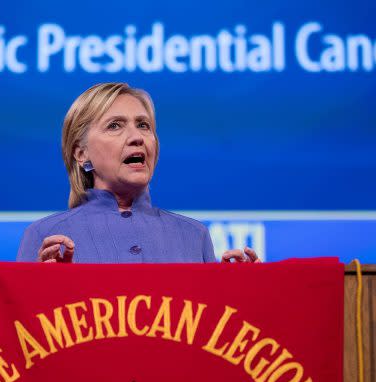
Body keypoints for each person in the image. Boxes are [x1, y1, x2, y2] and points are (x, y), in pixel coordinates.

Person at [16, 82, 259, 264]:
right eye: (115, 126)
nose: (137, 137)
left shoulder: (195, 236)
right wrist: (43, 288)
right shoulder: (45, 237)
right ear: (81, 154)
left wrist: (242, 292)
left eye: (143, 125)